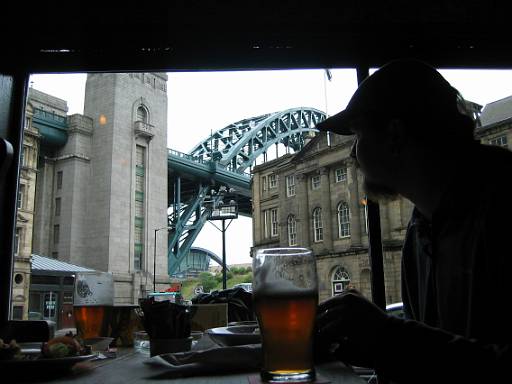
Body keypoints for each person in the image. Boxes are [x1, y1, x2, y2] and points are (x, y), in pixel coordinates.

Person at [314, 59, 512, 383]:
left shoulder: (504, 202)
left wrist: (387, 335)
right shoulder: (421, 226)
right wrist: (363, 347)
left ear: (394, 135)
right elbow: (436, 353)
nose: (351, 154)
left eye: (358, 136)